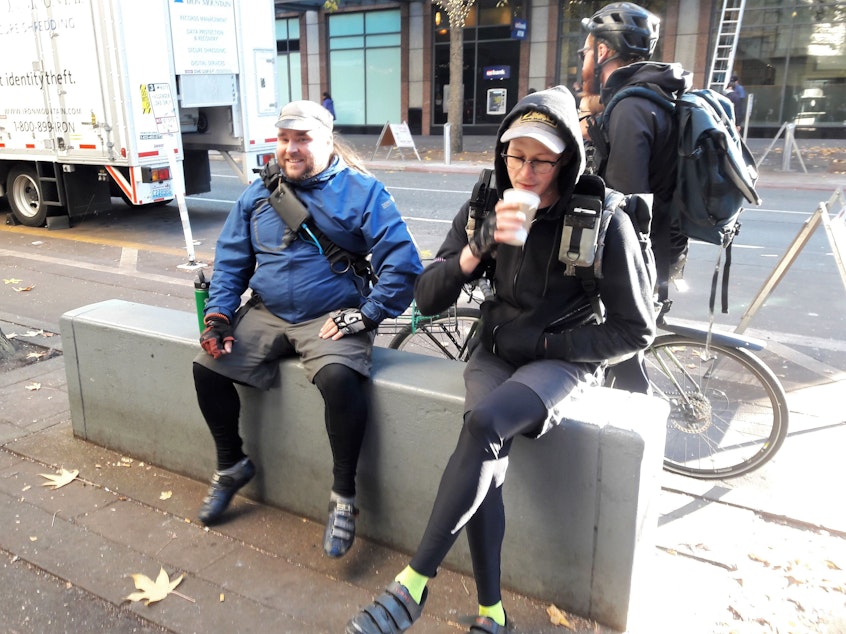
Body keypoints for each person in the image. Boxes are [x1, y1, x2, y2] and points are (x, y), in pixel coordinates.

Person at [345, 86, 656, 634]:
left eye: (542, 160)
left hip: (561, 358)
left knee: (484, 423)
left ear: (567, 160)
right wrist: (478, 247)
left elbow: (637, 329)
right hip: (494, 350)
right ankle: (493, 614)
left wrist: (550, 347)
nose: (526, 171)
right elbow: (426, 295)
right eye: (516, 156)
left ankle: (414, 582)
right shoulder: (488, 204)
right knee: (484, 454)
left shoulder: (603, 221)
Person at [192, 100, 422, 560]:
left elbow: (403, 263)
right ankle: (232, 464)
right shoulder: (258, 194)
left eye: (302, 139)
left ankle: (343, 497)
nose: (290, 149)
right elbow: (232, 260)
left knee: (340, 380)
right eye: (283, 139)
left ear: (326, 140)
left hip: (333, 314)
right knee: (208, 370)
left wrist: (369, 313)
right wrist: (218, 315)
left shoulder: (363, 191)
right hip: (269, 310)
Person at [578, 1, 691, 393]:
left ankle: (628, 440)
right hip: (661, 244)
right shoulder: (648, 97)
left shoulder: (631, 107)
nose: (583, 59)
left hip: (639, 254)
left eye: (586, 50)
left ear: (603, 51)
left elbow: (625, 201)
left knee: (625, 357)